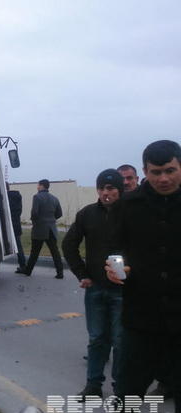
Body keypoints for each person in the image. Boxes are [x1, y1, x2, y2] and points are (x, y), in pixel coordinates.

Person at [106, 140, 181, 413]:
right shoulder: (128, 205)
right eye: (156, 172)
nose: (163, 178)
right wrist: (115, 266)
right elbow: (114, 247)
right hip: (140, 321)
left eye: (171, 170)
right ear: (145, 171)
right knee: (126, 399)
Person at [62, 169, 124, 399]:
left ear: (120, 189)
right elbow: (69, 245)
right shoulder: (87, 214)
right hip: (96, 287)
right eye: (102, 188)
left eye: (111, 188)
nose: (106, 193)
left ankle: (121, 388)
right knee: (97, 338)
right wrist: (82, 274)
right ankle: (93, 385)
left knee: (120, 340)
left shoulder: (132, 214)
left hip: (124, 291)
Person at [18, 179, 64, 278]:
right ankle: (60, 273)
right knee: (55, 251)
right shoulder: (54, 198)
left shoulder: (37, 197)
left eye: (38, 185)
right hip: (51, 229)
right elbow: (59, 213)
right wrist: (51, 220)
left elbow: (34, 212)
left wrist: (35, 221)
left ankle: (28, 271)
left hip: (39, 228)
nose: (37, 186)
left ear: (42, 186)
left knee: (34, 252)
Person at [7, 183, 27, 272]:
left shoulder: (5, 197)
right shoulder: (17, 197)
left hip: (8, 225)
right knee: (18, 246)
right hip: (16, 225)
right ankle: (23, 265)